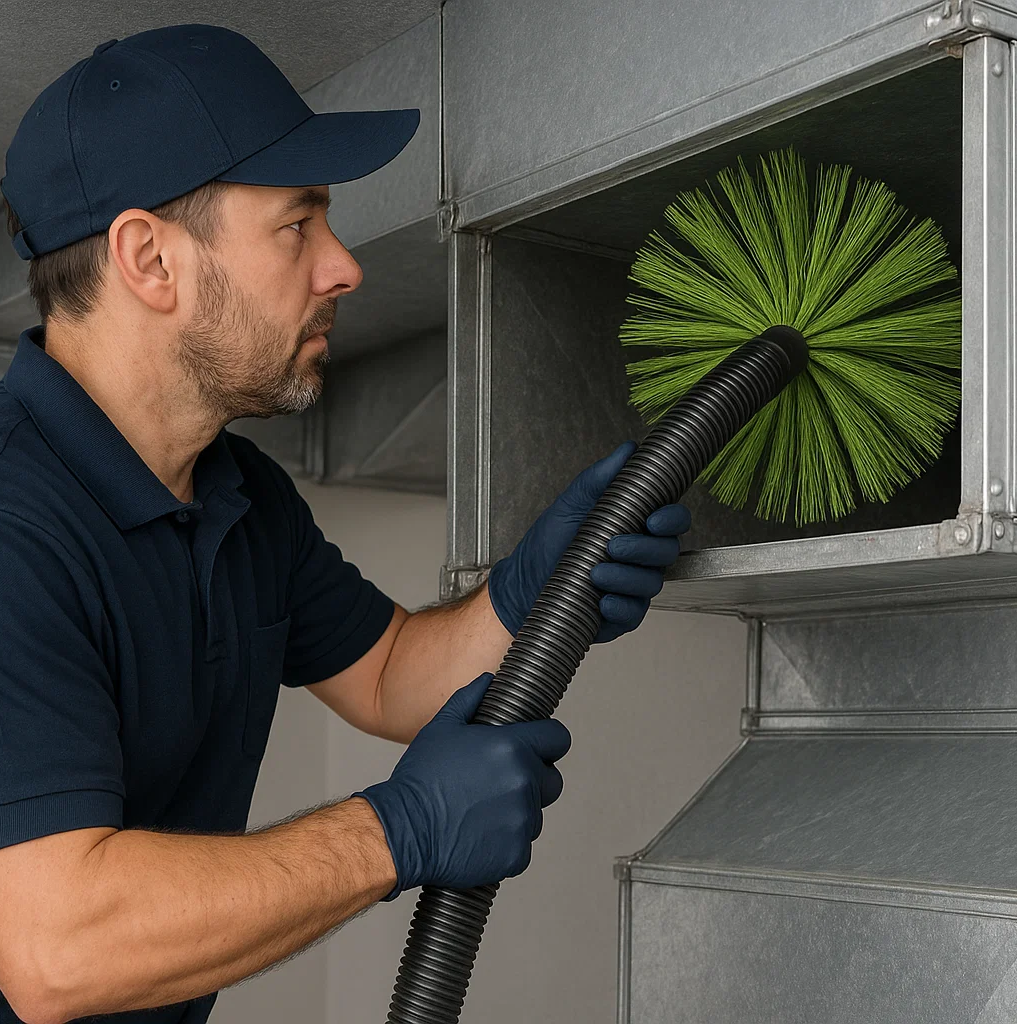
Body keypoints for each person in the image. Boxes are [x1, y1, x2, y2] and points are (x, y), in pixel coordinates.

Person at [0, 23, 691, 1024]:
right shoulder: (18, 520)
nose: (344, 267)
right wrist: (395, 830)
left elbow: (386, 673)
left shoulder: (237, 493)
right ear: (149, 258)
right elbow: (55, 947)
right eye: (299, 222)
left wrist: (534, 589)